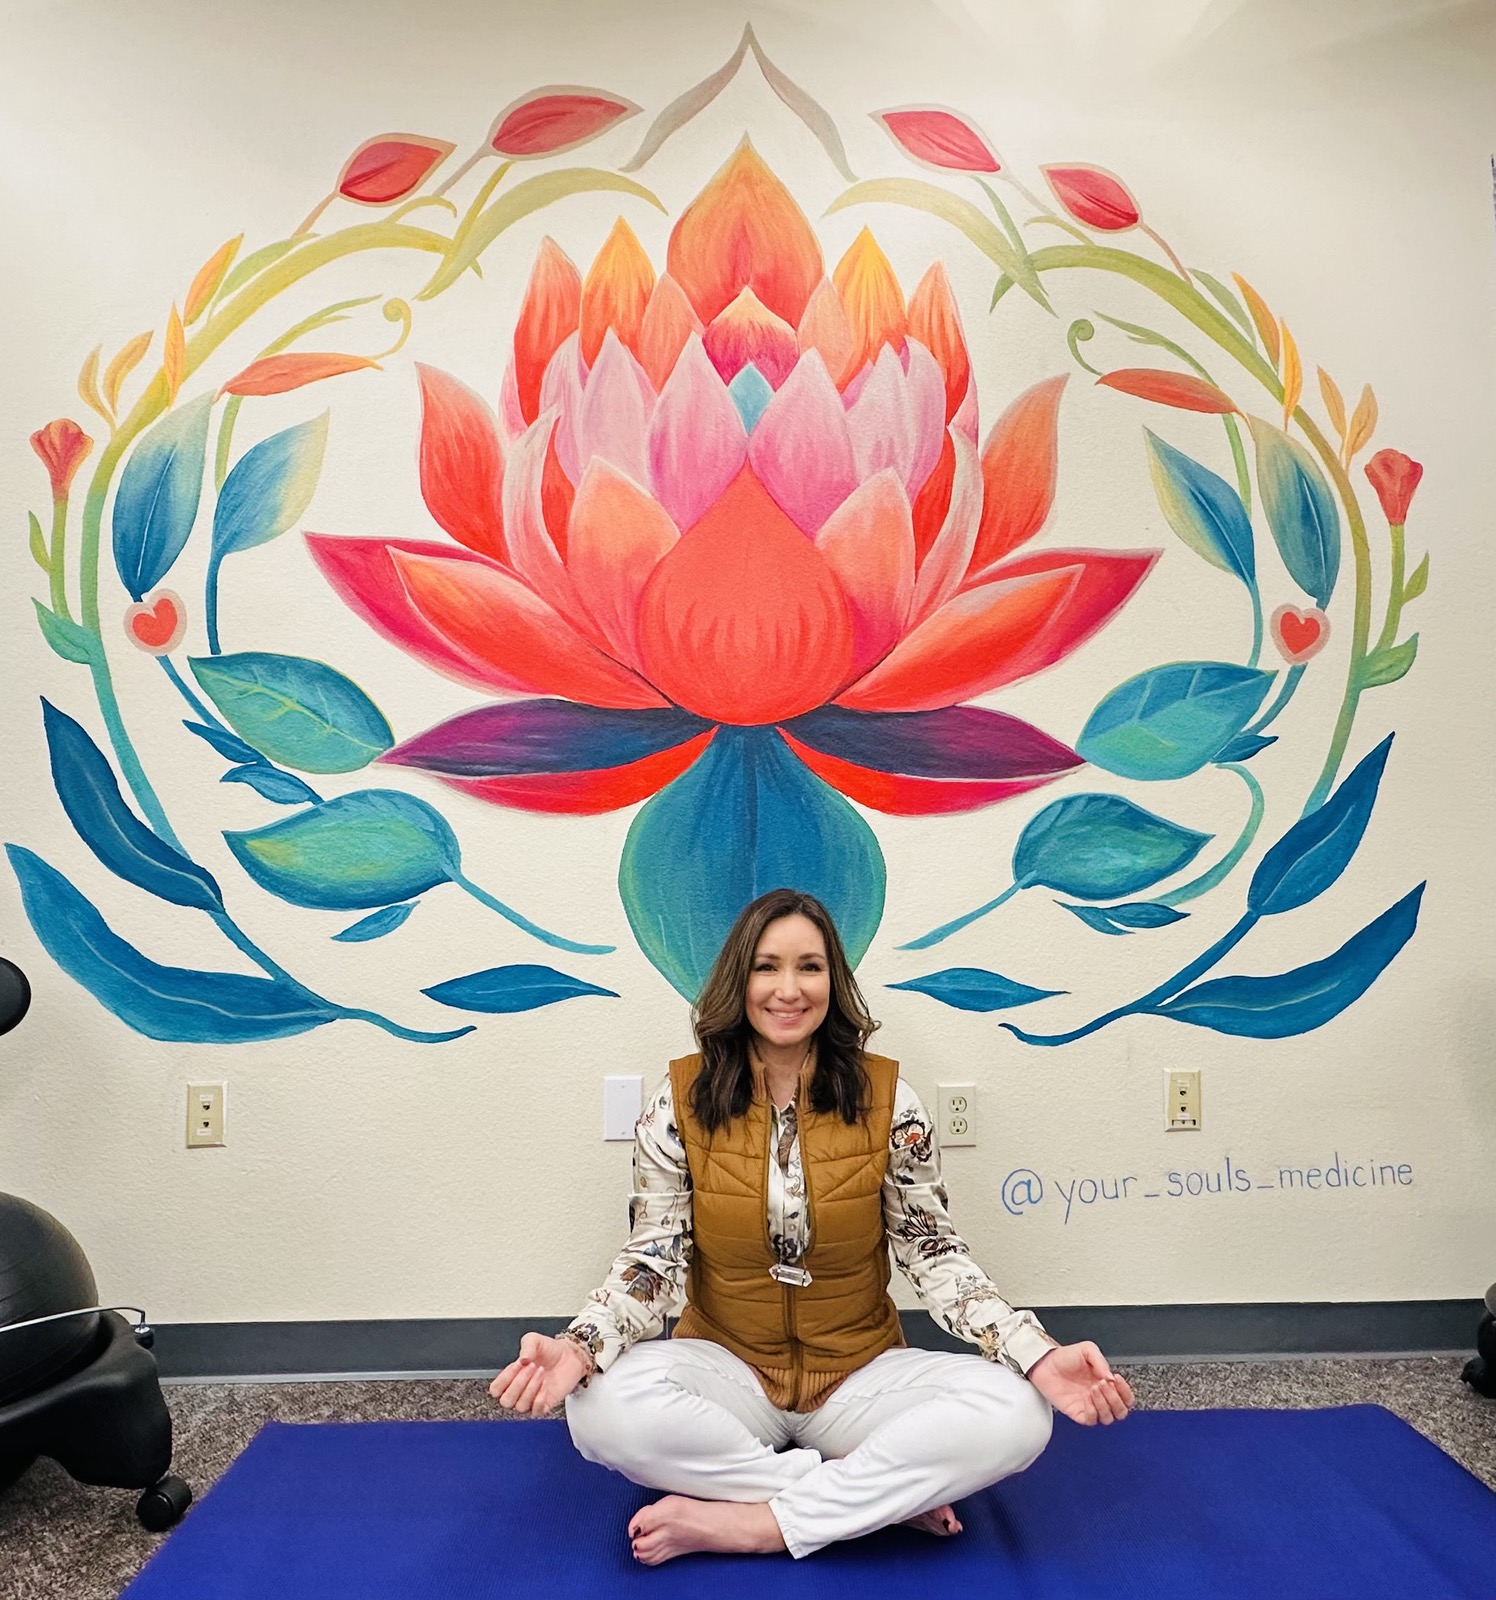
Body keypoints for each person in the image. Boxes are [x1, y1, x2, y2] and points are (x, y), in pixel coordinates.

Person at [490, 887, 1133, 1564]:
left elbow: (934, 1253)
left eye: (810, 967)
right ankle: (862, 1503)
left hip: (858, 1377)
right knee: (598, 1410)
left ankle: (755, 1523)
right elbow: (652, 1259)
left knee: (1018, 1414)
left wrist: (1034, 1353)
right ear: (739, 979)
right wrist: (581, 1345)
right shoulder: (677, 1103)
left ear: (835, 981)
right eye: (767, 967)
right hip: (728, 1372)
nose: (788, 989)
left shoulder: (893, 1102)